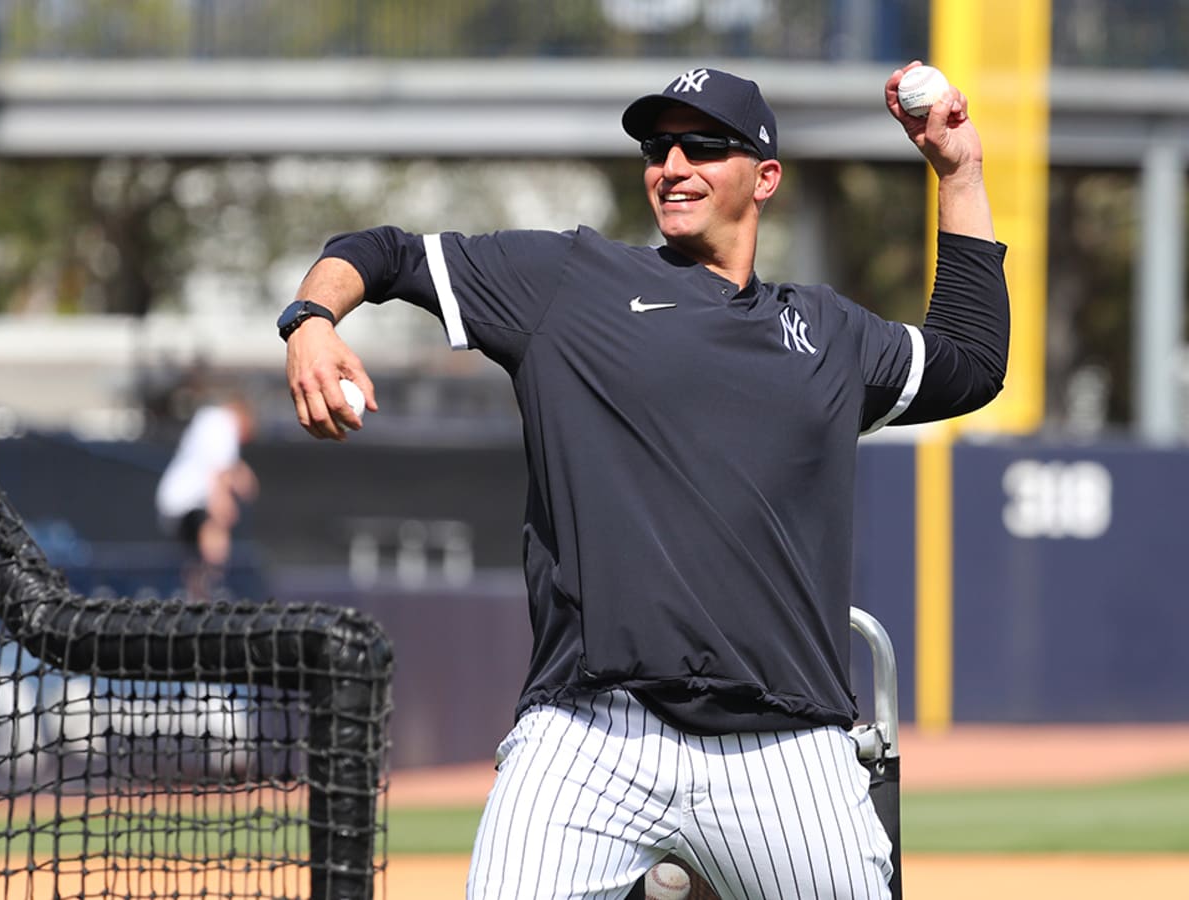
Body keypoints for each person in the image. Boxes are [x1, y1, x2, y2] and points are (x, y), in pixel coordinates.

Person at [280, 63, 1008, 900]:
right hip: (592, 733)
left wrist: (960, 172)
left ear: (765, 176)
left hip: (785, 746)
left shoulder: (831, 335)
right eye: (658, 147)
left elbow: (973, 361)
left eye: (703, 145)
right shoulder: (567, 285)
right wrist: (311, 320)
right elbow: (384, 252)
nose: (673, 165)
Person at [155, 394, 259, 600]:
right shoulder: (223, 424)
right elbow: (219, 473)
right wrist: (223, 505)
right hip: (186, 503)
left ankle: (198, 595)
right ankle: (212, 589)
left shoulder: (209, 422)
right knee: (214, 529)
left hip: (173, 503)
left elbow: (229, 469)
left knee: (195, 559)